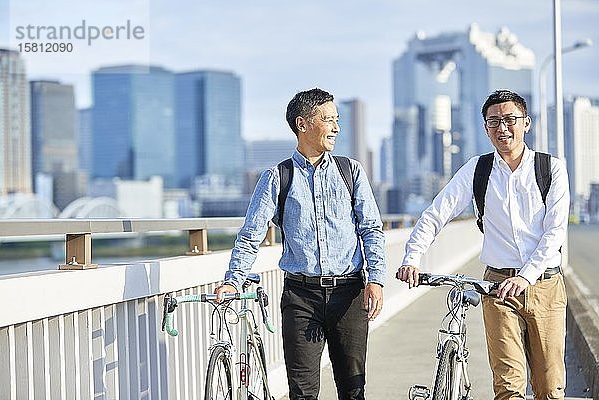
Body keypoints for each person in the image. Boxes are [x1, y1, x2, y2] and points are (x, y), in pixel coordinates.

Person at [396, 89, 569, 400]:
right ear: (485, 128)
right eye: (493, 122)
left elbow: (555, 232)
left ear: (526, 123)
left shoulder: (550, 168)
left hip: (545, 286)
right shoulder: (478, 169)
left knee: (549, 387)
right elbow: (438, 212)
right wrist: (412, 256)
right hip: (498, 286)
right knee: (508, 386)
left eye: (510, 120)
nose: (502, 128)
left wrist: (525, 276)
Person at [215, 88, 386, 400]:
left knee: (353, 390)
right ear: (303, 124)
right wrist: (233, 281)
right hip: (300, 297)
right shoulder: (277, 177)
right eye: (328, 120)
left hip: (349, 294)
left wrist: (376, 279)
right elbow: (251, 234)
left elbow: (371, 229)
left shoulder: (351, 171)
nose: (336, 127)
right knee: (303, 393)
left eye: (337, 120)